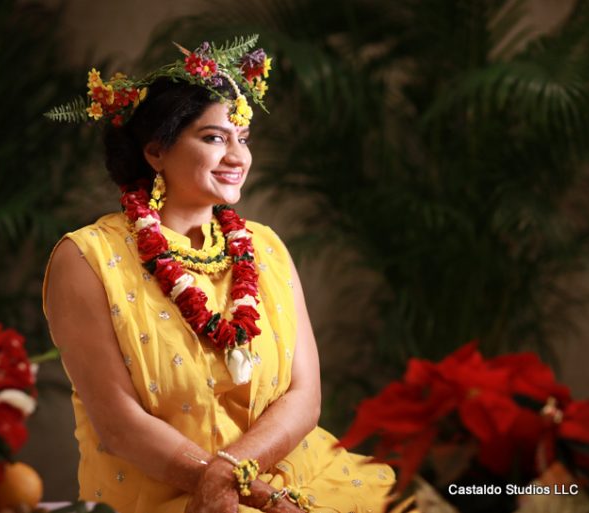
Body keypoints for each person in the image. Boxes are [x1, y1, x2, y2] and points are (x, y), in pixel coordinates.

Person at [42, 37, 394, 513]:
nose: (237, 157)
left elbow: (304, 396)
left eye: (242, 139)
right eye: (213, 138)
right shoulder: (85, 259)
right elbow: (119, 424)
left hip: (298, 475)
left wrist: (233, 475)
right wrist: (245, 492)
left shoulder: (265, 246)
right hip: (167, 496)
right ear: (155, 152)